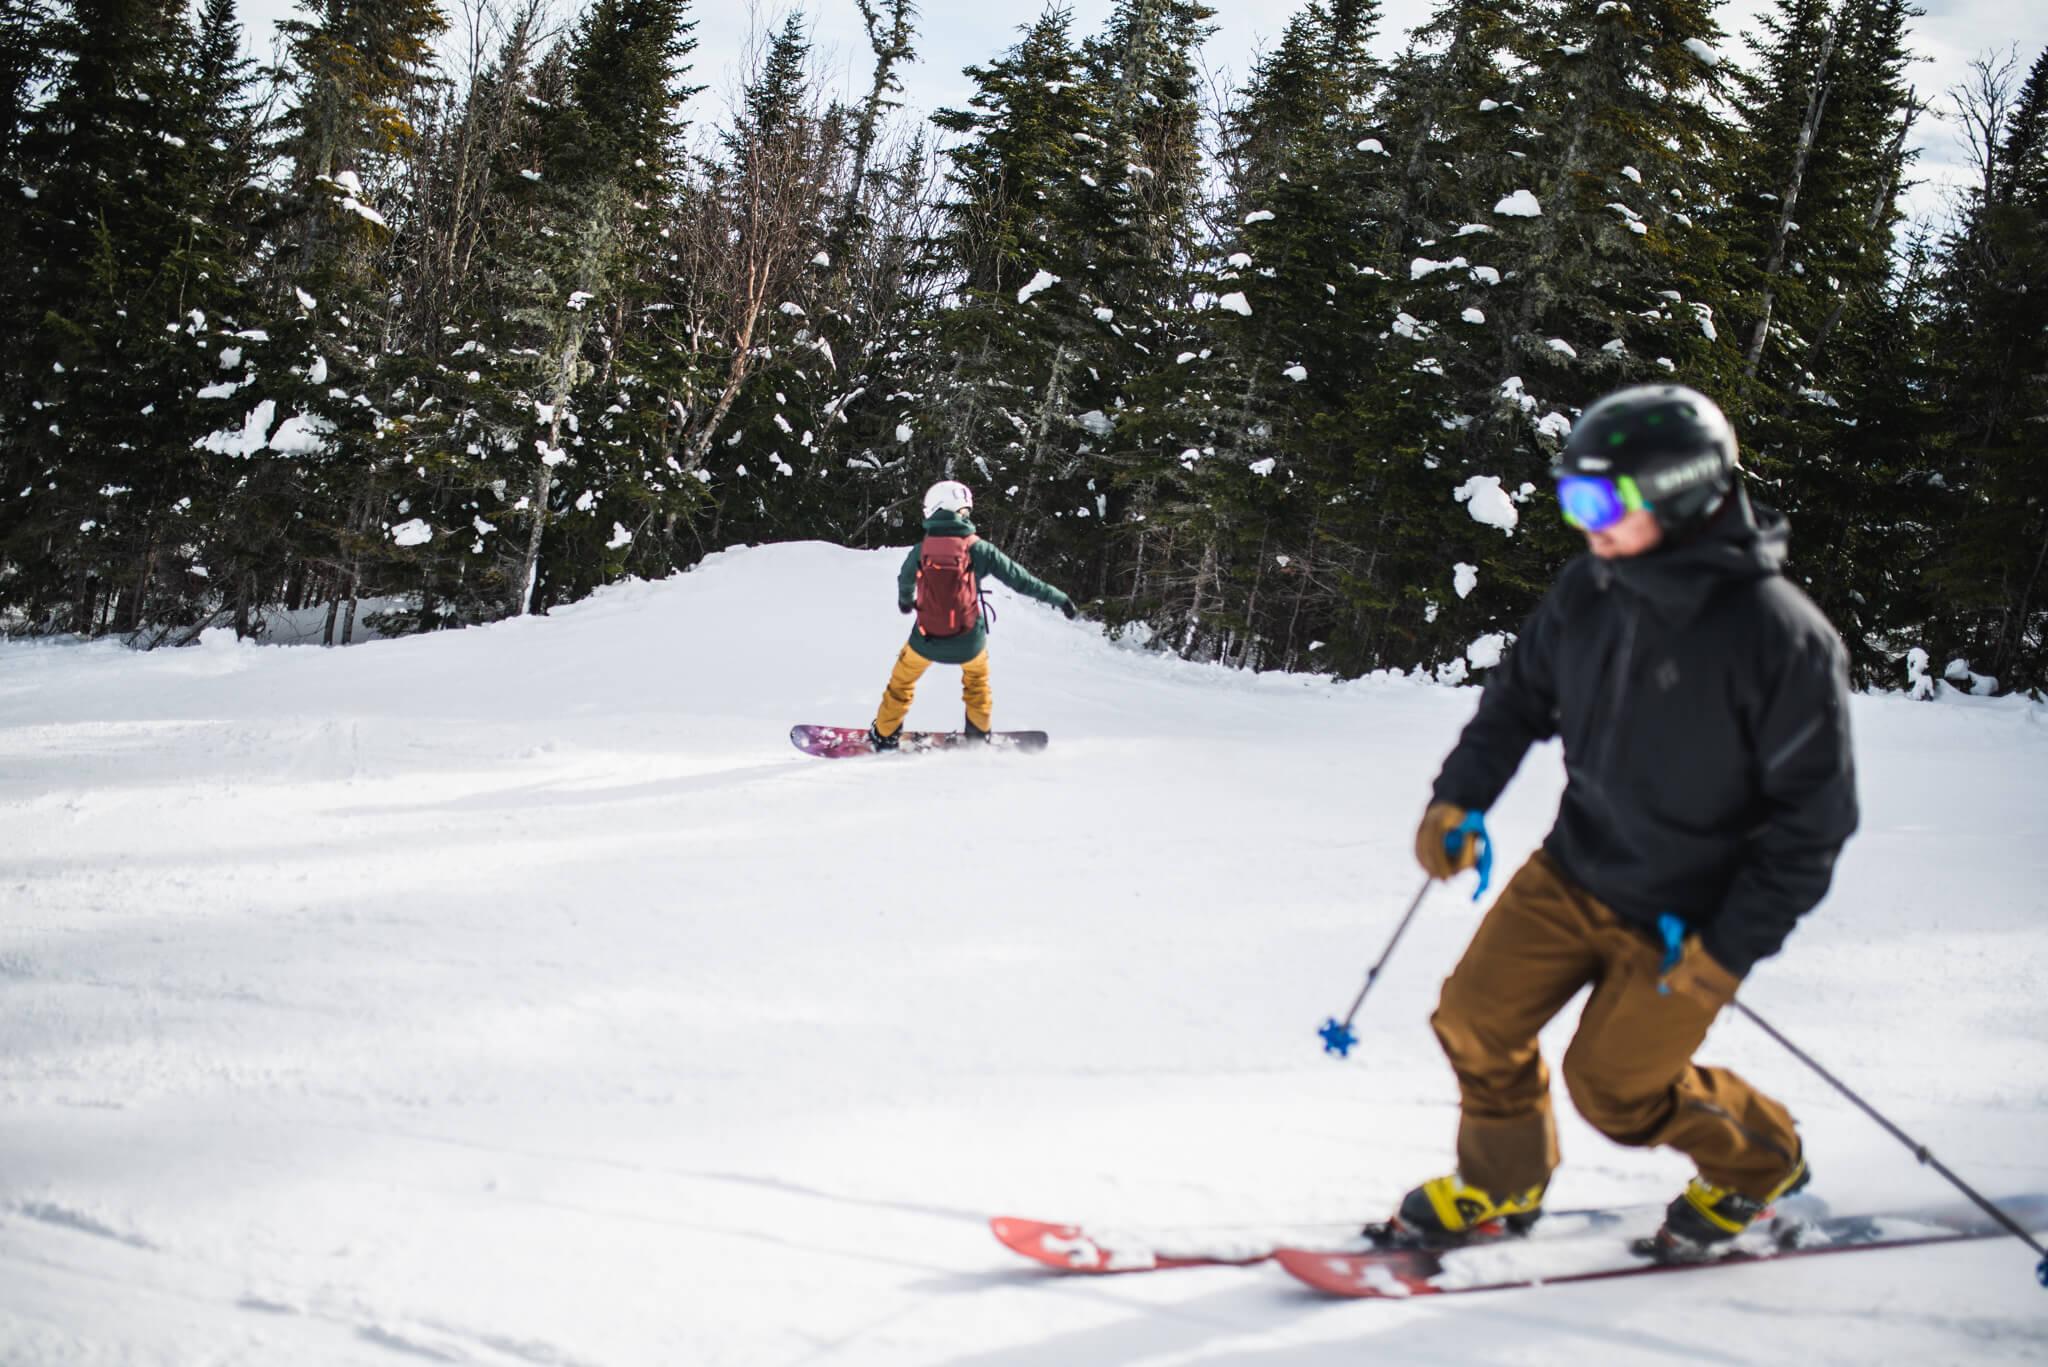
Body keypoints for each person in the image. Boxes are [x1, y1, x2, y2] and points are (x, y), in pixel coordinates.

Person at [1393, 384, 1859, 1259]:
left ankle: (1763, 1161)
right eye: (1573, 498)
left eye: (1601, 502)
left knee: (1616, 1090)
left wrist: (1726, 951)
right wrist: (1460, 796)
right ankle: (1503, 1183)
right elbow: (1517, 699)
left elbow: (1815, 826)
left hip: (1687, 922)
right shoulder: (1591, 588)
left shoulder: (1781, 639)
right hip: (1573, 870)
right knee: (1474, 1019)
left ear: (1681, 494)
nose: (1584, 523)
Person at [869, 480, 1077, 749]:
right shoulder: (978, 549)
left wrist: (905, 602)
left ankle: (884, 735)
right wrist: (1060, 599)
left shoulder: (922, 550)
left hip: (926, 639)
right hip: (969, 640)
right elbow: (1022, 580)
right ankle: (978, 737)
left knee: (901, 683)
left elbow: (905, 580)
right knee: (977, 685)